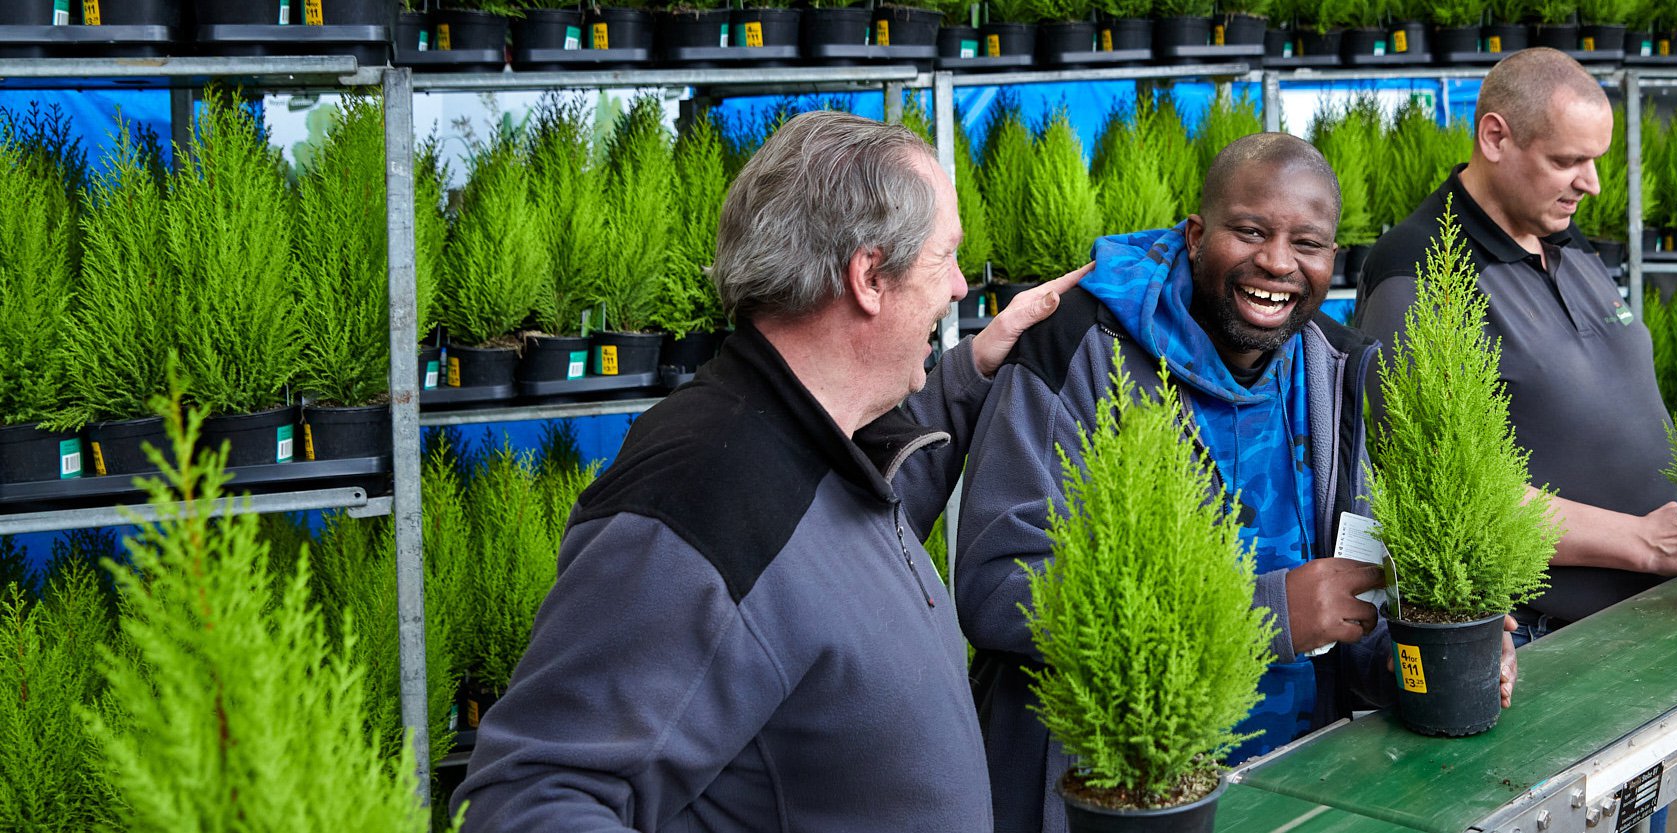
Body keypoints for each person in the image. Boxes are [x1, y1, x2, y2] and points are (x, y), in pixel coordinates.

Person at [451, 111, 1085, 832]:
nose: (961, 288)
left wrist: (970, 371)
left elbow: (817, 557)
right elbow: (530, 800)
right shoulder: (699, 496)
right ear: (870, 275)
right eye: (946, 258)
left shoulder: (808, 439)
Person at [955, 133, 1519, 833]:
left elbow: (1354, 590)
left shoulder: (1336, 369)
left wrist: (1423, 654)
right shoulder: (1079, 346)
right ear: (1196, 235)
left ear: (1332, 260)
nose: (1277, 263)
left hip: (1302, 783)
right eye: (1250, 230)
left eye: (1306, 243)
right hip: (1125, 792)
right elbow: (996, 587)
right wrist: (1268, 612)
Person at [1355, 47, 1677, 648]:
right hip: (1547, 640)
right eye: (1567, 160)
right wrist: (1641, 542)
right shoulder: (1419, 270)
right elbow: (1453, 491)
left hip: (1655, 611)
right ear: (1494, 137)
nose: (1592, 183)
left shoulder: (1560, 233)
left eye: (1595, 160)